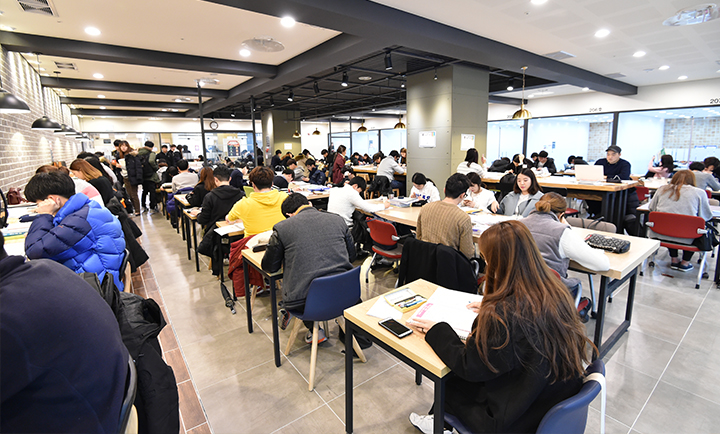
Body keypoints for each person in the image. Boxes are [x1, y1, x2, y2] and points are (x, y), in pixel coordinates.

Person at [407, 220, 593, 434]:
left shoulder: (504, 317)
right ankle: (437, 422)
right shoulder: (555, 292)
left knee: (451, 383)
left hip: (515, 420)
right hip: (549, 401)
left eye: (486, 258)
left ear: (497, 264)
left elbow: (470, 366)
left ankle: (438, 425)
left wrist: (438, 331)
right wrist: (494, 306)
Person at [0, 234, 129, 434]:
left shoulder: (9, 320)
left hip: (97, 416)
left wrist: (46, 219)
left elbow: (35, 247)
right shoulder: (48, 268)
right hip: (106, 403)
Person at [262, 193, 356, 343]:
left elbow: (270, 267)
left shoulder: (282, 228)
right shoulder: (337, 220)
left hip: (308, 303)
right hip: (346, 293)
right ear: (310, 204)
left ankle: (315, 331)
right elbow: (352, 256)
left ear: (289, 215)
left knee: (303, 285)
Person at [23, 171, 126, 290]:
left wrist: (44, 216)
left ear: (52, 200)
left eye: (38, 204)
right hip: (102, 279)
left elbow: (34, 251)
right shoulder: (87, 208)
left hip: (96, 289)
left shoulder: (78, 221)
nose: (38, 208)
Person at [522, 192, 610, 297]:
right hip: (550, 294)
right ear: (562, 215)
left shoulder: (518, 224)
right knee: (578, 289)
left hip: (520, 290)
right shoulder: (562, 232)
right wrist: (567, 227)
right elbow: (603, 265)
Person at [647, 170, 712, 272]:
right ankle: (685, 262)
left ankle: (674, 258)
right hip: (688, 236)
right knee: (694, 227)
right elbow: (706, 216)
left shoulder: (662, 189)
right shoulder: (699, 193)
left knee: (671, 225)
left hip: (661, 233)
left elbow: (652, 208)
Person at [416, 173, 474, 259]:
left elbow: (418, 237)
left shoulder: (425, 208)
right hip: (449, 263)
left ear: (444, 190)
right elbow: (467, 253)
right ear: (462, 195)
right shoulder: (463, 218)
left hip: (425, 260)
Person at [227, 166, 288, 236]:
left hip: (253, 242)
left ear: (253, 185)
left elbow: (229, 219)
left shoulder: (243, 204)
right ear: (272, 184)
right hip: (279, 241)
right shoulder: (285, 197)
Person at [117, 141, 143, 216]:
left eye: (125, 146)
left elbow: (136, 167)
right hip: (124, 177)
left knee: (134, 194)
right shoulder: (120, 156)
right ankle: (135, 209)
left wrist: (121, 166)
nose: (123, 147)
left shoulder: (132, 155)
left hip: (132, 176)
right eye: (121, 146)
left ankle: (137, 210)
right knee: (129, 194)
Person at [137, 140, 160, 213]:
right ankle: (152, 206)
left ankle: (143, 206)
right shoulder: (151, 153)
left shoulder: (139, 153)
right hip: (151, 175)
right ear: (152, 147)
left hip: (143, 175)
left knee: (144, 191)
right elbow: (151, 161)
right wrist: (156, 168)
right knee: (152, 191)